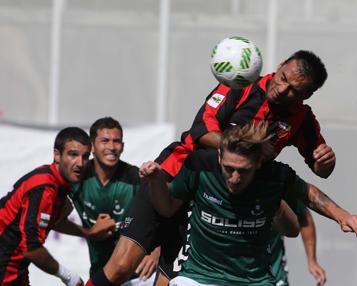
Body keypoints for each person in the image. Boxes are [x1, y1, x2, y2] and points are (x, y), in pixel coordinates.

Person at [88, 50, 335, 286]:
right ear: (280, 65)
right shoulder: (240, 83)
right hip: (172, 176)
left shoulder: (301, 119)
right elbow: (201, 130)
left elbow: (320, 168)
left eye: (294, 90)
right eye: (283, 79)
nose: (283, 90)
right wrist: (250, 148)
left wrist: (325, 161)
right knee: (120, 268)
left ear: (307, 95)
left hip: (208, 202)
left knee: (166, 281)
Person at [141, 122, 357, 286]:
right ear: (219, 157)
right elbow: (167, 208)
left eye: (244, 171)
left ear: (258, 163)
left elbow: (309, 195)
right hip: (199, 277)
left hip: (254, 280)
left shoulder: (275, 176)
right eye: (229, 168)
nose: (235, 178)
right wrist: (156, 181)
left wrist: (343, 216)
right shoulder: (200, 166)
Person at [67, 117, 159, 285]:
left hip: (138, 276)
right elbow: (53, 214)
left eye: (116, 141)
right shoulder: (78, 178)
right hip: (101, 273)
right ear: (92, 146)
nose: (111, 147)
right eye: (105, 141)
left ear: (122, 146)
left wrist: (157, 252)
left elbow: (165, 215)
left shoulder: (136, 178)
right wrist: (88, 232)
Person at [0, 127, 90, 286]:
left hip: (16, 271)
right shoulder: (45, 188)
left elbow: (54, 223)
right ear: (57, 155)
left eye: (85, 156)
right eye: (73, 154)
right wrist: (68, 276)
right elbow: (31, 248)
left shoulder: (56, 183)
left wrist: (90, 232)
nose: (80, 163)